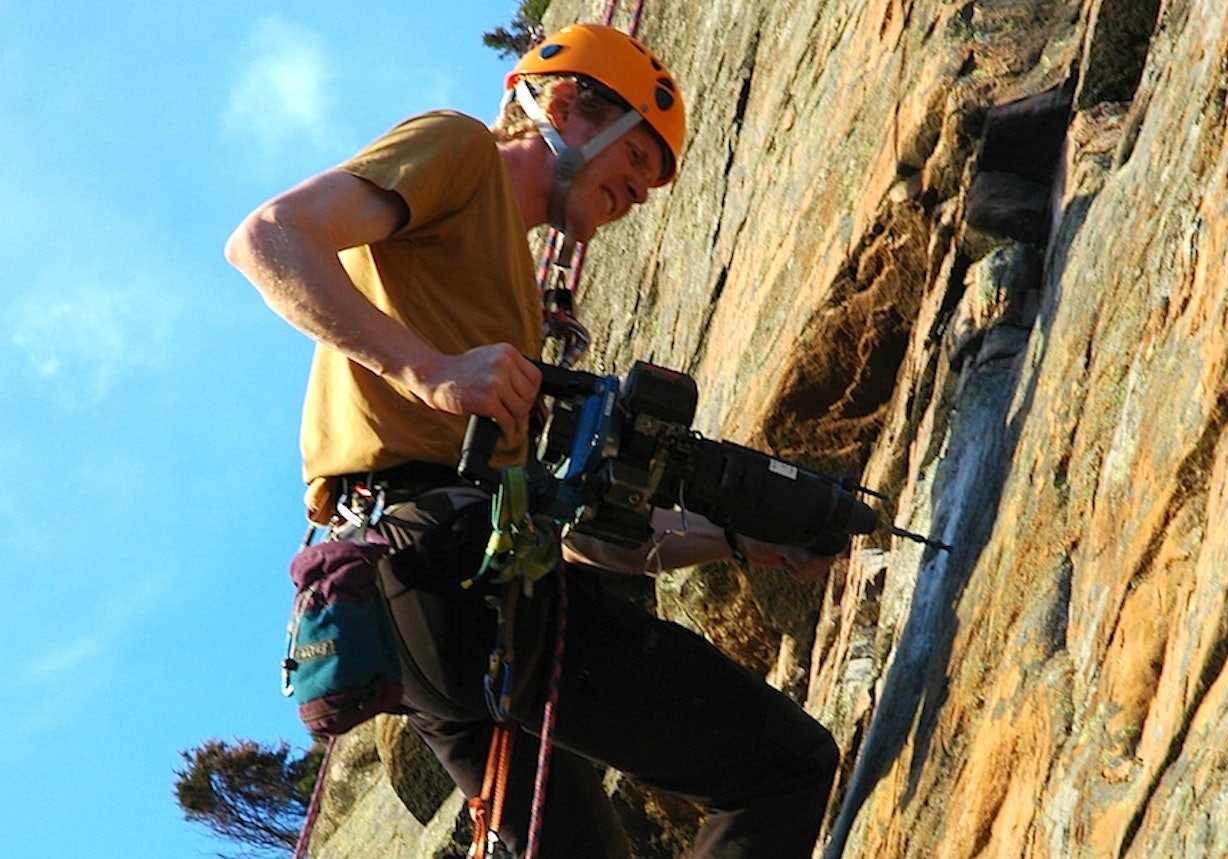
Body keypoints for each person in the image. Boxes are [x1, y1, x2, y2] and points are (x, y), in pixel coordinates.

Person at [226, 22, 839, 858]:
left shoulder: (514, 303)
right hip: (448, 570)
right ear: (564, 107)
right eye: (638, 157)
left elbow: (577, 531)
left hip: (429, 612)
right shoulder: (459, 152)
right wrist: (430, 371)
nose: (645, 190)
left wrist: (735, 539)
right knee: (783, 765)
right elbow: (267, 237)